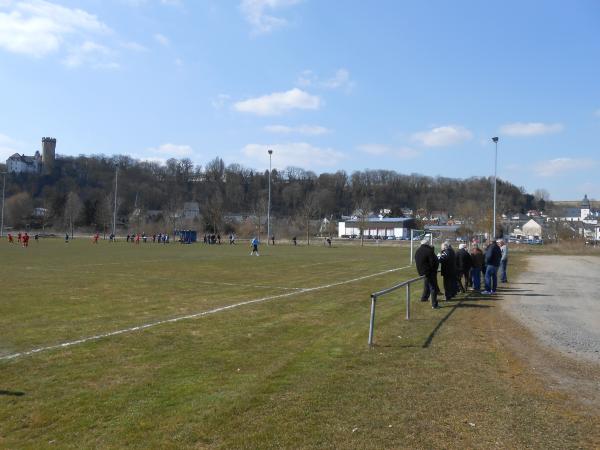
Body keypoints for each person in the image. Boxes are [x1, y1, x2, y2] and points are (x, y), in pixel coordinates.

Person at [415, 238, 440, 309]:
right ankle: (434, 304)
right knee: (433, 288)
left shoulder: (418, 251)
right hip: (429, 272)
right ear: (427, 243)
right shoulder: (429, 251)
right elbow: (432, 263)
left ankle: (424, 298)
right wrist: (433, 270)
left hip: (421, 272)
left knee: (427, 285)